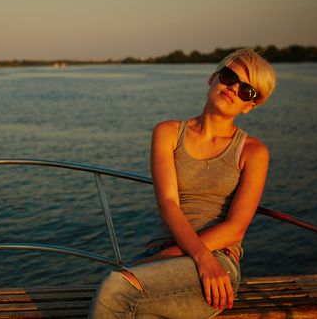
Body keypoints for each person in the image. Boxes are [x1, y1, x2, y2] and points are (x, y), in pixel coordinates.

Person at [88, 48, 276, 318]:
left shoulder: (253, 152)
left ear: (249, 106)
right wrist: (169, 257)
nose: (234, 88)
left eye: (246, 91)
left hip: (216, 261)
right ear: (212, 79)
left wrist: (199, 258)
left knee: (115, 288)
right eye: (229, 76)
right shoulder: (168, 133)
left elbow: (235, 229)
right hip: (165, 252)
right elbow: (168, 203)